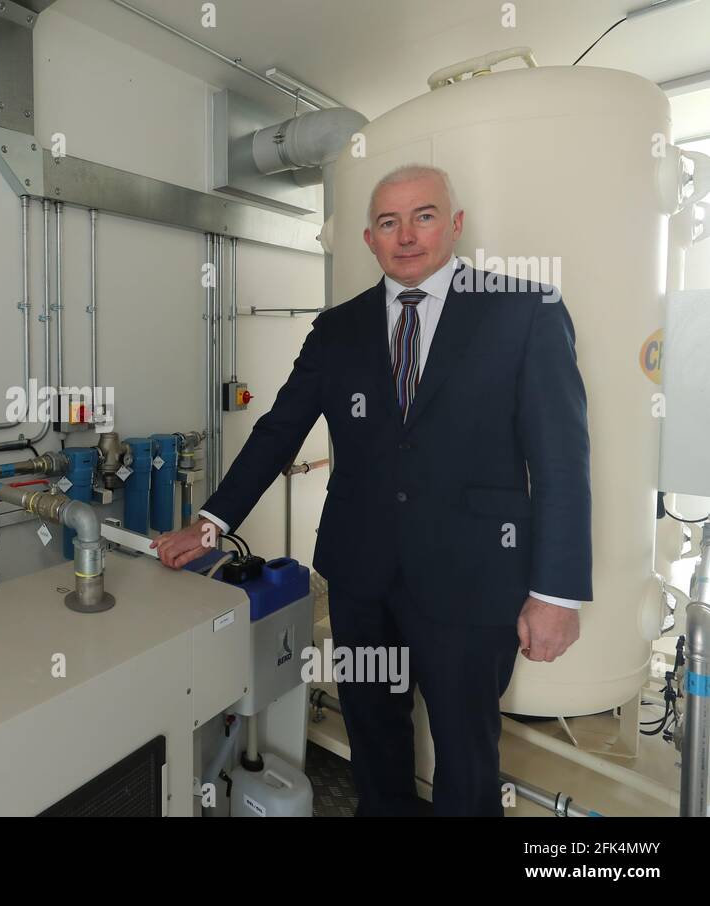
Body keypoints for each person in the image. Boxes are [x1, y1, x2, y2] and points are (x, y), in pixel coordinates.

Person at [150, 164, 592, 816]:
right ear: (369, 238)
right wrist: (210, 522)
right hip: (362, 580)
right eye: (389, 222)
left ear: (456, 223)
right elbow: (278, 431)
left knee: (468, 759)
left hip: (473, 581)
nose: (406, 235)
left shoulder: (524, 311)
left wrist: (554, 592)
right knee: (375, 743)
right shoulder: (337, 329)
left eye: (424, 216)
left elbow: (561, 459)